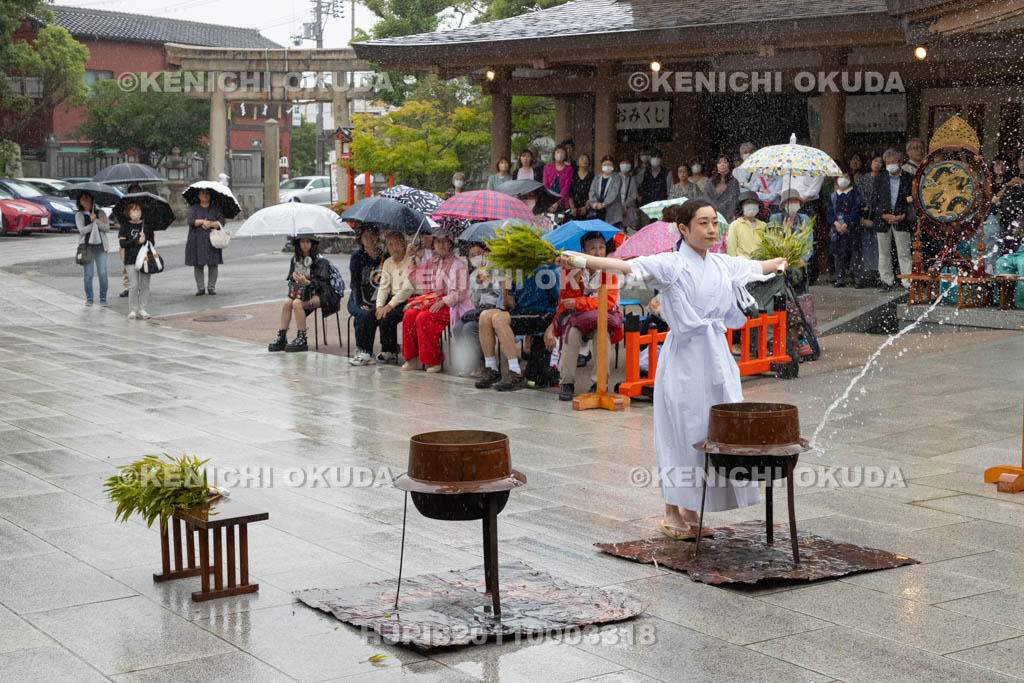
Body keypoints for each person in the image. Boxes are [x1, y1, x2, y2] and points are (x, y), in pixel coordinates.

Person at [557, 199, 786, 539]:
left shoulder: (722, 264)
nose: (711, 230)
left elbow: (754, 268)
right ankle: (670, 510)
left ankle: (693, 510)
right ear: (683, 228)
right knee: (682, 430)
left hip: (716, 357)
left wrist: (781, 260)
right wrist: (578, 259)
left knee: (711, 428)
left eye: (714, 224)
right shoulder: (671, 263)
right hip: (684, 359)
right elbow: (624, 266)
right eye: (703, 223)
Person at [552, 231, 621, 401]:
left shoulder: (610, 270)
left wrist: (580, 302)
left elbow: (607, 302)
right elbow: (567, 300)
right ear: (583, 250)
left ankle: (599, 383)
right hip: (578, 319)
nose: (598, 253)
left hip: (602, 319)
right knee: (571, 333)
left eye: (601, 248)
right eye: (593, 249)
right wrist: (569, 273)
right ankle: (566, 382)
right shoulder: (573, 271)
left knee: (602, 334)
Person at [475, 263, 560, 391]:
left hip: (544, 314)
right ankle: (491, 368)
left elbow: (560, 301)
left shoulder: (548, 271)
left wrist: (552, 327)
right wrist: (505, 286)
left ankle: (515, 371)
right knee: (485, 316)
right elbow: (509, 306)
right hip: (521, 313)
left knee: (499, 319)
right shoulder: (515, 270)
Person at [401, 235, 470, 372]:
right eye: (438, 242)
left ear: (451, 244)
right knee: (409, 315)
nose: (442, 245)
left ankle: (434, 359)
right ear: (434, 244)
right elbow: (417, 279)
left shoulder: (459, 265)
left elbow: (461, 293)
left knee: (424, 318)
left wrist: (444, 300)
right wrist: (412, 258)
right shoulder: (431, 262)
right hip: (431, 301)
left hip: (451, 305)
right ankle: (412, 357)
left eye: (445, 241)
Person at [267, 236, 341, 353]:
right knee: (287, 303)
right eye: (302, 242)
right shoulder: (295, 260)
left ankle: (302, 338)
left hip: (322, 298)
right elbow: (290, 278)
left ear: (312, 244)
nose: (305, 244)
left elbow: (323, 286)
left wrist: (307, 282)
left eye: (308, 242)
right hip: (304, 294)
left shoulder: (321, 261)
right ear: (298, 244)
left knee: (297, 304)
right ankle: (282, 336)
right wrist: (294, 277)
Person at [454, 242, 502, 376]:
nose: (476, 257)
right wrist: (477, 283)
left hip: (496, 308)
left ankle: (482, 362)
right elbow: (474, 300)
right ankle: (470, 361)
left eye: (478, 254)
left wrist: (487, 280)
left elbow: (500, 292)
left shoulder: (496, 268)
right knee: (458, 328)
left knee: (470, 328)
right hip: (481, 308)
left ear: (485, 254)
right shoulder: (474, 274)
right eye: (472, 255)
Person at [873, 148, 915, 291]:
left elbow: (912, 201)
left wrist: (903, 215)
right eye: (888, 162)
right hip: (883, 220)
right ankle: (886, 281)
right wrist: (883, 215)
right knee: (883, 252)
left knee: (904, 252)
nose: (891, 164)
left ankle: (907, 281)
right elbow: (875, 201)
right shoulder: (880, 178)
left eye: (893, 161)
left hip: (901, 219)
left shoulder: (908, 178)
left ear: (900, 161)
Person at [374, 230, 417, 363]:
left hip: (410, 298)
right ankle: (365, 350)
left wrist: (389, 306)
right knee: (371, 315)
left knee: (388, 316)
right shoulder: (387, 262)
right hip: (393, 298)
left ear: (404, 244)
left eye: (397, 244)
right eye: (390, 244)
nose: (394, 248)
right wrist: (379, 306)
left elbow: (407, 289)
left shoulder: (412, 261)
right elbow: (383, 286)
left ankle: (390, 350)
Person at [348, 226, 385, 365]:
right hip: (358, 296)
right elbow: (355, 282)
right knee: (362, 313)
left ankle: (366, 350)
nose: (369, 239)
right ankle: (364, 349)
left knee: (372, 314)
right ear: (361, 239)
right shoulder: (357, 256)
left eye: (372, 235)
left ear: (377, 237)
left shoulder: (383, 255)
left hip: (377, 297)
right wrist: (359, 302)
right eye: (365, 236)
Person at [117, 200, 155, 320]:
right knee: (134, 285)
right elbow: (122, 243)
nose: (136, 212)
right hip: (130, 258)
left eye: (138, 209)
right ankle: (133, 309)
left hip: (145, 258)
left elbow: (152, 242)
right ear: (128, 211)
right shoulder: (125, 225)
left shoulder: (147, 225)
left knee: (145, 284)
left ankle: (142, 309)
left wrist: (146, 239)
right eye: (133, 209)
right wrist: (136, 241)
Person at [826, 170, 863, 287]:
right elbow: (829, 212)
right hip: (837, 230)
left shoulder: (855, 194)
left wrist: (847, 224)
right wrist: (836, 224)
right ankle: (840, 278)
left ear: (850, 179)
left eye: (845, 176)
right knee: (838, 254)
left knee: (855, 254)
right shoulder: (833, 196)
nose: (842, 179)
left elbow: (856, 211)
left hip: (852, 229)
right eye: (840, 177)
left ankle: (857, 279)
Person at [185, 189, 225, 296]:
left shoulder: (216, 208)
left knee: (213, 264)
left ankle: (211, 287)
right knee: (198, 264)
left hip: (212, 240)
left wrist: (210, 224)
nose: (205, 195)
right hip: (197, 240)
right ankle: (200, 288)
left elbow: (221, 222)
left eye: (207, 193)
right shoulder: (193, 208)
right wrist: (202, 221)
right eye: (202, 193)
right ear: (198, 195)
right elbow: (190, 221)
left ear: (210, 195)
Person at [75, 191, 109, 306]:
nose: (85, 200)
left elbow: (107, 228)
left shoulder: (101, 212)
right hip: (87, 248)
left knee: (103, 273)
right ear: (79, 201)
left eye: (87, 198)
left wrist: (97, 220)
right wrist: (91, 222)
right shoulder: (79, 215)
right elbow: (82, 230)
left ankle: (103, 299)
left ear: (92, 199)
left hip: (101, 247)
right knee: (88, 274)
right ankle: (89, 298)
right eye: (82, 199)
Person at [855, 154, 883, 286]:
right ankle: (865, 275)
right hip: (864, 214)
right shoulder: (863, 179)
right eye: (875, 161)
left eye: (880, 162)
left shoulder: (883, 179)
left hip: (879, 215)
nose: (877, 164)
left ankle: (878, 274)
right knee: (865, 246)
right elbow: (858, 196)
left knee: (878, 247)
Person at [116, 182, 144, 298]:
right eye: (132, 190)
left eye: (137, 190)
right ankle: (128, 286)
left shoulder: (144, 204)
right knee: (126, 265)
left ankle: (140, 286)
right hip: (127, 240)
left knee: (142, 265)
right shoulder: (124, 204)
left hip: (140, 242)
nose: (135, 192)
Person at [725, 191, 766, 259]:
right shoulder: (735, 225)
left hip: (760, 265)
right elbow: (731, 250)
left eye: (754, 203)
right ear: (742, 207)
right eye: (748, 203)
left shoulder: (763, 225)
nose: (752, 205)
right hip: (742, 265)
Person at [588, 155, 623, 225]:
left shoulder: (617, 178)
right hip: (598, 211)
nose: (607, 166)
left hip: (613, 212)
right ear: (601, 166)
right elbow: (592, 191)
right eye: (605, 164)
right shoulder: (597, 178)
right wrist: (594, 203)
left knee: (612, 233)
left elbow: (613, 193)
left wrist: (604, 204)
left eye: (609, 164)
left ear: (613, 166)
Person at [704, 155, 740, 221]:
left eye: (725, 162)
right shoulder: (710, 182)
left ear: (729, 165)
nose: (722, 164)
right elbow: (706, 199)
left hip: (729, 217)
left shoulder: (734, 182)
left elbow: (733, 202)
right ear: (716, 166)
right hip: (712, 216)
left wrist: (728, 219)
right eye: (719, 163)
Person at [543, 144, 573, 213]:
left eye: (562, 152)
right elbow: (545, 185)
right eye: (558, 152)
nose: (560, 154)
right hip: (548, 201)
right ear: (554, 154)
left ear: (565, 155)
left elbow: (566, 187)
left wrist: (557, 203)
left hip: (562, 202)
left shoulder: (569, 169)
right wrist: (550, 202)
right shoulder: (547, 167)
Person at [569, 153, 594, 218]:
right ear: (577, 163)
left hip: (587, 209)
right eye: (582, 159)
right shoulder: (573, 176)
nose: (585, 161)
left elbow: (592, 194)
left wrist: (586, 207)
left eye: (586, 159)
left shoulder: (592, 177)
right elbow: (570, 194)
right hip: (574, 209)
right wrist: (573, 208)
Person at [618, 159, 640, 231]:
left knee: (630, 232)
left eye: (627, 163)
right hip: (616, 210)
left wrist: (625, 205)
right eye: (623, 163)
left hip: (629, 210)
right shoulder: (614, 177)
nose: (625, 165)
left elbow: (633, 195)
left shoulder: (632, 179)